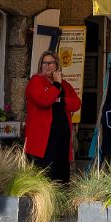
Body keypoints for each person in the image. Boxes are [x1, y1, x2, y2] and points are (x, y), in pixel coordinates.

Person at [23, 50, 80, 184]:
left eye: (51, 63)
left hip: (62, 141)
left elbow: (76, 104)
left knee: (61, 177)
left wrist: (61, 100)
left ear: (57, 65)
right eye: (44, 63)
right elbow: (44, 100)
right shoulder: (36, 81)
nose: (47, 66)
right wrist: (56, 84)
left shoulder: (65, 85)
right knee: (44, 177)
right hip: (42, 141)